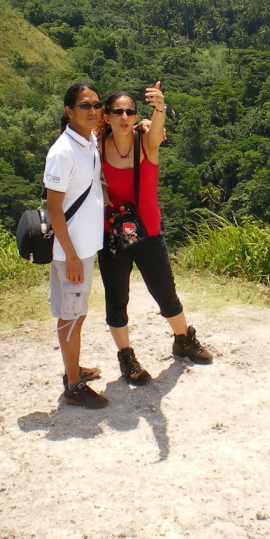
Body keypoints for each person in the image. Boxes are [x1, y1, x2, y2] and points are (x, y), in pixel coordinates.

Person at [97, 81, 213, 385]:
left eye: (130, 111)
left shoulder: (146, 143)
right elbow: (77, 173)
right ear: (107, 116)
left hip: (148, 231)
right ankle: (126, 356)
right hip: (112, 234)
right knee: (117, 297)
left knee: (165, 292)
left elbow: (158, 126)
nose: (124, 116)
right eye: (118, 111)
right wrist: (100, 186)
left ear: (136, 116)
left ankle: (183, 339)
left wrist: (159, 108)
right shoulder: (96, 147)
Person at [44, 82, 108, 409]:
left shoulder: (89, 140)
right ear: (69, 111)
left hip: (84, 248)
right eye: (85, 106)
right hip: (70, 252)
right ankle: (73, 385)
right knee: (70, 315)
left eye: (97, 105)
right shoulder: (62, 152)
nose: (93, 111)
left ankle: (73, 368)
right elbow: (54, 207)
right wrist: (69, 255)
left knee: (77, 312)